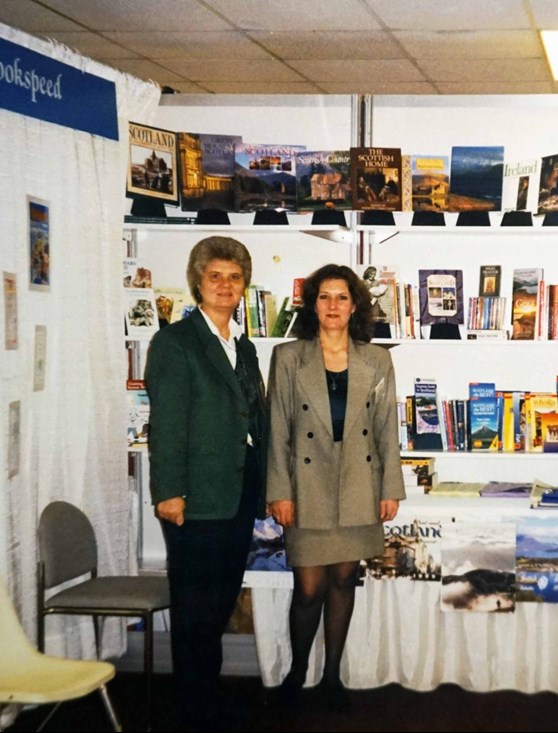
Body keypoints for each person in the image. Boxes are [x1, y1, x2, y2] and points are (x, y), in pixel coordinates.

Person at [267, 263, 405, 710]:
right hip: (305, 486)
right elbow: (277, 430)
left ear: (354, 306)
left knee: (344, 580)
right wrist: (279, 491)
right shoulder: (288, 357)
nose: (332, 305)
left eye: (341, 297)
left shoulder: (377, 359)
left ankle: (331, 678)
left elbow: (386, 429)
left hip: (358, 483)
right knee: (309, 589)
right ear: (312, 305)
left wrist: (390, 488)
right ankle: (296, 673)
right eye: (324, 296)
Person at [144, 236, 267, 732]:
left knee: (219, 604)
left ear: (244, 286)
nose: (225, 285)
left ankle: (208, 697)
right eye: (215, 276)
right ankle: (192, 711)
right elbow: (166, 425)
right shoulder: (175, 342)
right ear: (197, 281)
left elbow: (253, 419)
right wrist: (168, 492)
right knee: (195, 610)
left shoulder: (244, 346)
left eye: (234, 277)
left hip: (237, 494)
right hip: (194, 498)